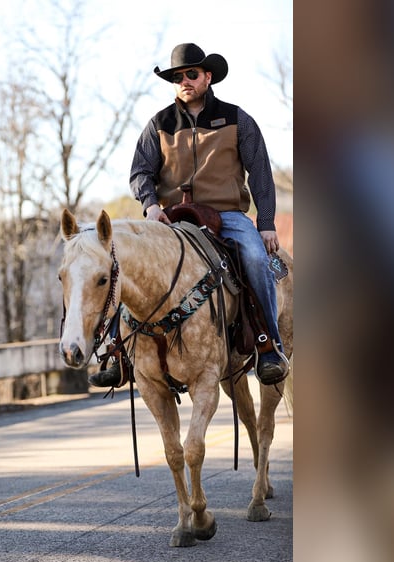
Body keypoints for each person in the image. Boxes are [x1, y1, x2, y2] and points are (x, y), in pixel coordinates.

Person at [89, 42, 288, 387]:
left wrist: (267, 224)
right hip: (172, 220)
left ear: (207, 77)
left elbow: (261, 174)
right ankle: (117, 352)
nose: (185, 80)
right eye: (177, 76)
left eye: (191, 74)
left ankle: (268, 345)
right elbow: (140, 172)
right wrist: (151, 205)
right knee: (129, 262)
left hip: (227, 214)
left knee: (256, 259)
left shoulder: (237, 119)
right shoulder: (159, 125)